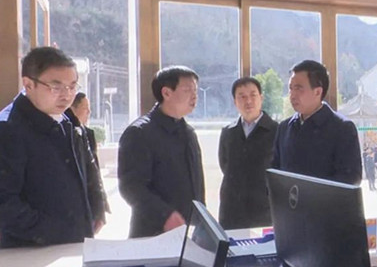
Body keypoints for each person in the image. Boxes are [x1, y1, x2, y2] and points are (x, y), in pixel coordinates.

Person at [0, 46, 107, 249]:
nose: (66, 95)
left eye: (72, 86)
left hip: (74, 243)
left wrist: (97, 206)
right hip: (29, 250)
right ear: (28, 84)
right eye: (56, 87)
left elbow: (88, 168)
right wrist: (53, 231)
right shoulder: (5, 131)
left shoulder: (68, 120)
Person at [118, 66, 204, 238]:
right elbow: (131, 187)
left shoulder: (188, 132)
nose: (194, 96)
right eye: (187, 90)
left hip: (188, 232)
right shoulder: (139, 133)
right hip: (153, 233)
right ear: (166, 93)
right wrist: (165, 215)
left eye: (195, 90)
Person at [272, 60, 362, 185]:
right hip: (288, 198)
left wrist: (314, 191)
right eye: (290, 88)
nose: (292, 95)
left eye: (298, 88)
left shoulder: (342, 128)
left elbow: (351, 178)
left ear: (318, 92)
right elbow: (275, 173)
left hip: (325, 198)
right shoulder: (284, 128)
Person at [218, 77, 278, 229]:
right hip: (232, 209)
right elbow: (225, 165)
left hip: (264, 210)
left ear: (261, 98)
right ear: (235, 102)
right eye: (242, 96)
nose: (248, 101)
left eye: (253, 95)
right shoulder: (228, 132)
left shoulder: (277, 131)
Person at [71, 92, 111, 213]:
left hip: (91, 201)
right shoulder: (67, 134)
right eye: (85, 108)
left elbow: (95, 170)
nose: (89, 112)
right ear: (73, 109)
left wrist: (101, 201)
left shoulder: (88, 134)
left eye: (89, 109)